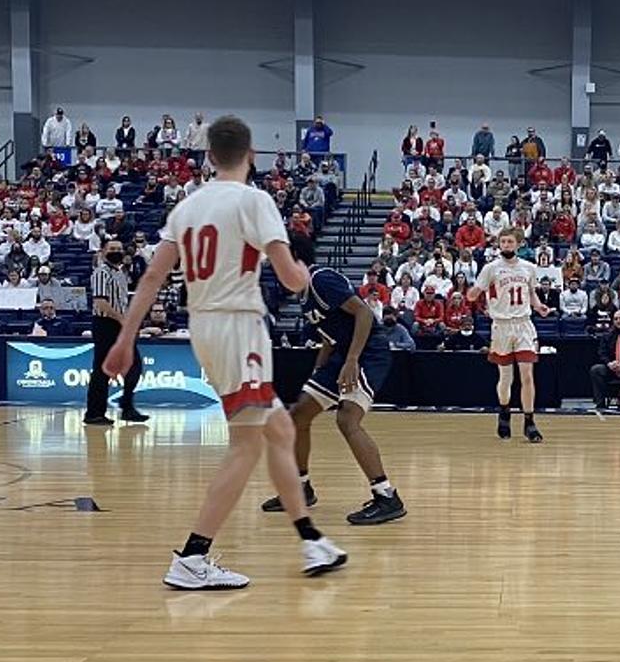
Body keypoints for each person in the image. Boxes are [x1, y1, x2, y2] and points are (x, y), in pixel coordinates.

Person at [103, 115, 347, 589]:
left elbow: (152, 278)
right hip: (238, 326)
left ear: (210, 157)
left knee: (277, 430)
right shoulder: (254, 200)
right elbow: (293, 280)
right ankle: (192, 557)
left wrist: (125, 338)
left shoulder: (188, 206)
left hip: (204, 327)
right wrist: (300, 267)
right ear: (251, 155)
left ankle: (311, 539)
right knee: (247, 443)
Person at [254, 233, 408, 524]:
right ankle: (301, 488)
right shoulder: (304, 295)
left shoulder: (321, 279)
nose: (274, 269)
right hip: (340, 353)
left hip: (368, 352)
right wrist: (318, 373)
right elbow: (329, 338)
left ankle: (387, 497)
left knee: (347, 419)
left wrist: (351, 361)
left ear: (294, 260)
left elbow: (363, 314)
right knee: (298, 415)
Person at [467, 228, 549, 442]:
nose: (506, 245)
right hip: (501, 325)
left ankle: (529, 422)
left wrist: (540, 307)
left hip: (523, 325)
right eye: (503, 242)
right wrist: (472, 294)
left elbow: (531, 294)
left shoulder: (529, 268)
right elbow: (474, 293)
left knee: (527, 375)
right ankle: (504, 412)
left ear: (519, 244)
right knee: (505, 378)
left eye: (510, 242)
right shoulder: (490, 269)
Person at [85, 240, 148, 425]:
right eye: (112, 249)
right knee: (102, 369)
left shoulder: (121, 273)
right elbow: (100, 302)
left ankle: (127, 406)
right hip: (105, 324)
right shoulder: (101, 272)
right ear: (103, 251)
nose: (116, 252)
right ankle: (94, 413)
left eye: (119, 249)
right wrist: (122, 319)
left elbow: (122, 301)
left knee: (134, 365)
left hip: (121, 324)